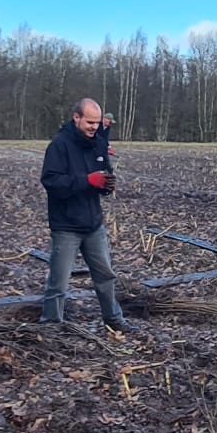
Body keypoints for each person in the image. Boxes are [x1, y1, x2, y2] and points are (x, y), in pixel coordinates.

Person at [40, 98, 128, 332]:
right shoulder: (59, 145)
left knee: (106, 276)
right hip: (66, 225)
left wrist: (106, 186)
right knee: (58, 282)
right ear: (76, 117)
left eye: (97, 123)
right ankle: (50, 327)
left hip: (93, 224)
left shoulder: (98, 144)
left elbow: (103, 175)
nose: (94, 127)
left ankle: (114, 319)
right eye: (90, 122)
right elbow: (51, 182)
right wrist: (87, 181)